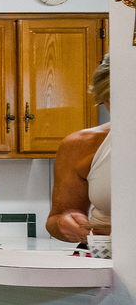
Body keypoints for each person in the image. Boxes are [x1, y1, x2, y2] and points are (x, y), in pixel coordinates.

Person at [47, 57, 110, 245]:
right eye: (110, 100)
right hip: (101, 258)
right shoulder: (81, 145)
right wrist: (65, 222)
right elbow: (56, 219)